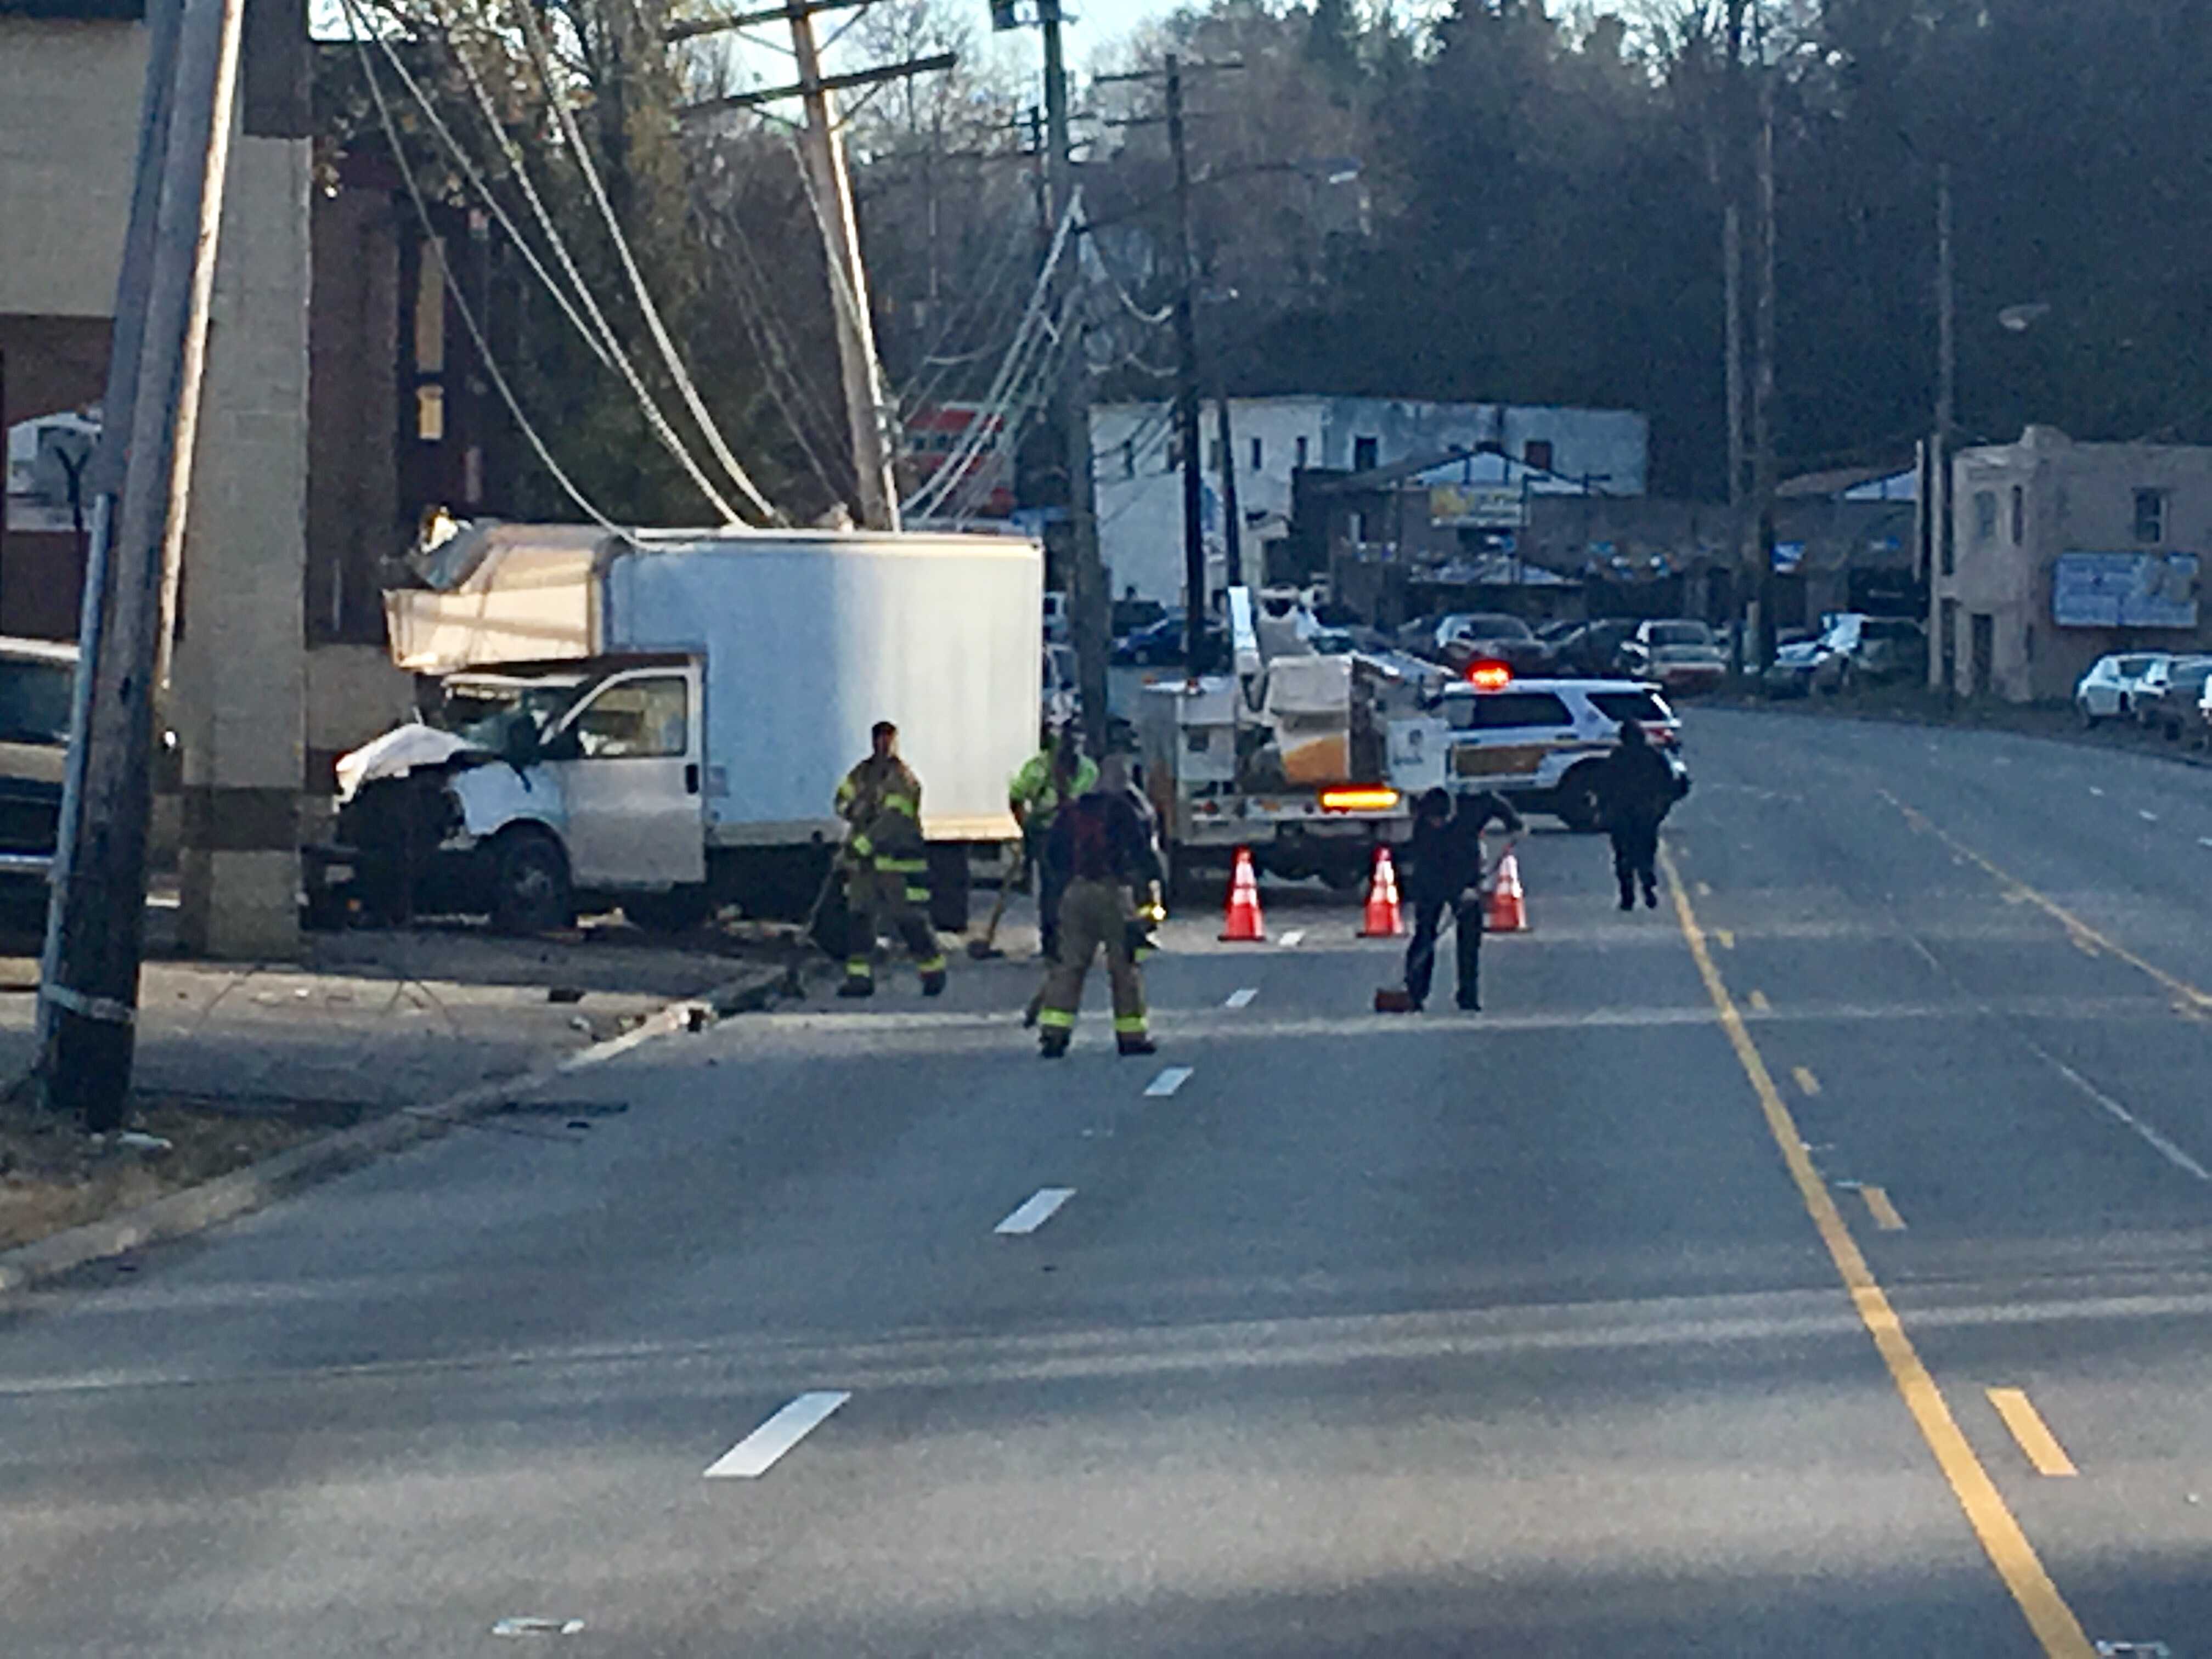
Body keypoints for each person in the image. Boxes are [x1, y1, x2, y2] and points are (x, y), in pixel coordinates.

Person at [1034, 753, 1163, 1058]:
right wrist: (1149, 909)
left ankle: (1054, 1033)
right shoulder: (1124, 811)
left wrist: (1053, 912)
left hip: (1075, 894)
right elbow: (1143, 859)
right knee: (1124, 967)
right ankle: (1131, 1036)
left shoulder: (1071, 812)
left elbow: (1052, 859)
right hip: (1115, 894)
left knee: (1070, 966)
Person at [834, 721, 948, 997]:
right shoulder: (861, 773)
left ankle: (933, 971)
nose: (884, 745)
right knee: (859, 917)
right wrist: (853, 809)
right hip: (866, 866)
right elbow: (841, 800)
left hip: (898, 862)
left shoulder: (902, 778)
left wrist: (862, 844)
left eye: (889, 739)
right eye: (879, 739)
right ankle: (859, 979)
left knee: (909, 920)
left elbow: (893, 820)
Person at [1402, 785, 1522, 1013]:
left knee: (1469, 941)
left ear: (1450, 814)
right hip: (1432, 882)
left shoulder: (1472, 808)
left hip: (1467, 878)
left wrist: (1514, 824)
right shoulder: (1422, 830)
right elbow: (1424, 867)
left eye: (1440, 820)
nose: (1436, 824)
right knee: (1425, 933)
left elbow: (1496, 803)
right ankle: (1415, 992)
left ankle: (1468, 995)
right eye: (1432, 820)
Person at [1008, 723, 1097, 964]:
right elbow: (1016, 797)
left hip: (1072, 834)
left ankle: (1067, 937)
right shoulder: (1039, 770)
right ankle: (1053, 940)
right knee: (1054, 886)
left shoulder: (1086, 770)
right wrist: (1025, 827)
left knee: (1066, 886)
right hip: (1046, 834)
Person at [1594, 719, 1685, 911]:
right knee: (1645, 854)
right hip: (1647, 814)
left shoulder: (1617, 758)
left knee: (1623, 855)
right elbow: (1670, 784)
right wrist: (1662, 806)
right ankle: (1648, 886)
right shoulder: (1654, 757)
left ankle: (1628, 895)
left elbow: (1602, 786)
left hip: (1622, 815)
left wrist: (1602, 809)